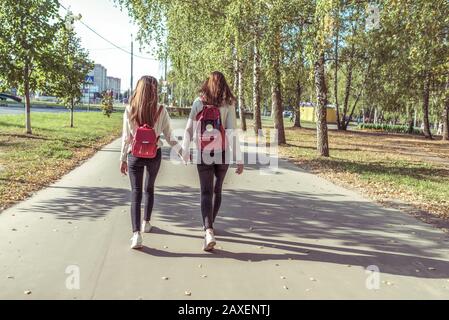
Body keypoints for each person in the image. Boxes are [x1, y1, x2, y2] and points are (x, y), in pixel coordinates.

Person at [182, 71, 244, 252]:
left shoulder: (198, 102)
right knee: (217, 190)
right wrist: (239, 159)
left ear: (207, 83)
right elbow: (232, 132)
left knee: (205, 192)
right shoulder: (229, 104)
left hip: (203, 152)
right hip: (223, 152)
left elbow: (188, 129)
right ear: (225, 85)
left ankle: (208, 229)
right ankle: (211, 225)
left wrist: (185, 150)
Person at [120, 76, 180, 249]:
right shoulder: (161, 110)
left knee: (136, 192)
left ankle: (136, 234)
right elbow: (169, 136)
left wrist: (123, 159)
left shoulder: (130, 109)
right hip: (154, 153)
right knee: (149, 188)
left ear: (138, 89)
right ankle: (146, 222)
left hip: (135, 154)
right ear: (154, 90)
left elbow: (126, 138)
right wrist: (182, 153)